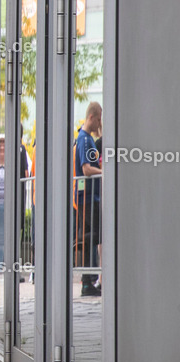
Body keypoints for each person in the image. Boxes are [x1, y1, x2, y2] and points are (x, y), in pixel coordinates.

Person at [74, 102, 102, 296]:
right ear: (91, 117)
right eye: (98, 119)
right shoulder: (84, 140)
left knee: (95, 234)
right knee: (99, 234)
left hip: (89, 195)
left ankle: (87, 283)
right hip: (87, 196)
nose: (99, 123)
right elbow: (85, 168)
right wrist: (103, 172)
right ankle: (74, 242)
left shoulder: (87, 139)